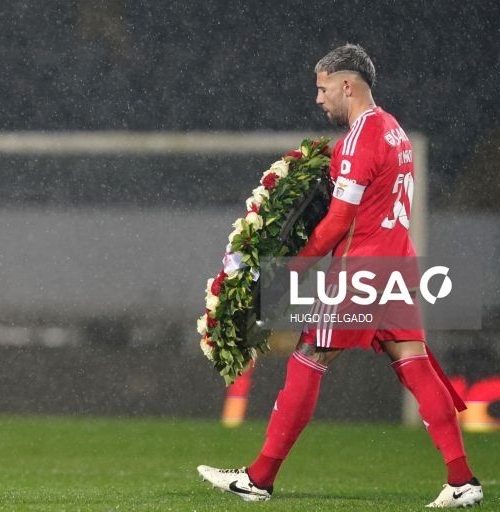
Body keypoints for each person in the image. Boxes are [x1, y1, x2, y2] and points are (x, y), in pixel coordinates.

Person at [197, 44, 483, 508]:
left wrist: (289, 271)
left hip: (362, 267)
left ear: (346, 85)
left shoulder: (359, 139)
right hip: (396, 264)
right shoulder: (394, 131)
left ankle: (260, 478)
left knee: (307, 357)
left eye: (323, 88)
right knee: (414, 363)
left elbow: (337, 223)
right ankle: (462, 480)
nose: (319, 98)